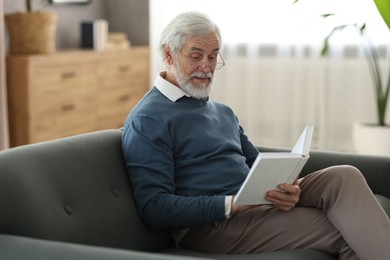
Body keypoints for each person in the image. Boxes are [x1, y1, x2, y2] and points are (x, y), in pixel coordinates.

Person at [122, 11, 390, 260]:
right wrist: (232, 204)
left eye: (214, 56)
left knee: (344, 175)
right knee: (347, 230)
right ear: (169, 55)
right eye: (196, 56)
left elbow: (256, 164)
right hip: (211, 226)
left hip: (255, 201)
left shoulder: (222, 111)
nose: (207, 66)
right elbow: (154, 207)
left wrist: (287, 187)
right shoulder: (148, 119)